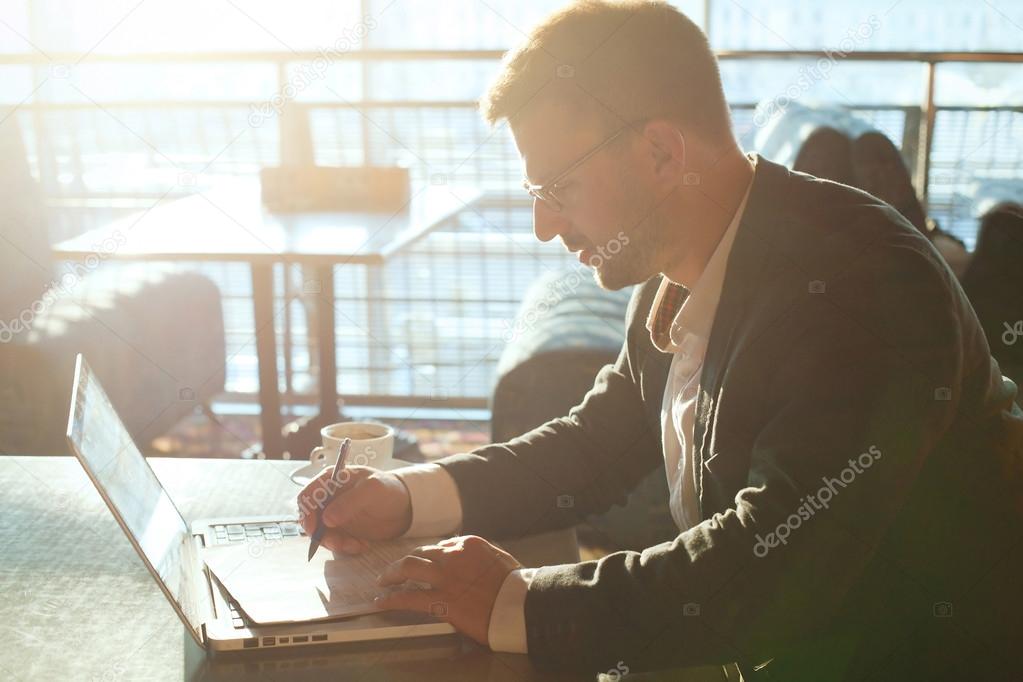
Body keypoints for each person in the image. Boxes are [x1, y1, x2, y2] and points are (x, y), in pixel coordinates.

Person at [299, 2, 1023, 679]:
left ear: (659, 154)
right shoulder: (680, 267)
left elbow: (773, 568)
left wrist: (516, 602)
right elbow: (598, 442)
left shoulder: (860, 289)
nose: (544, 227)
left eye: (559, 187)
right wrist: (403, 496)